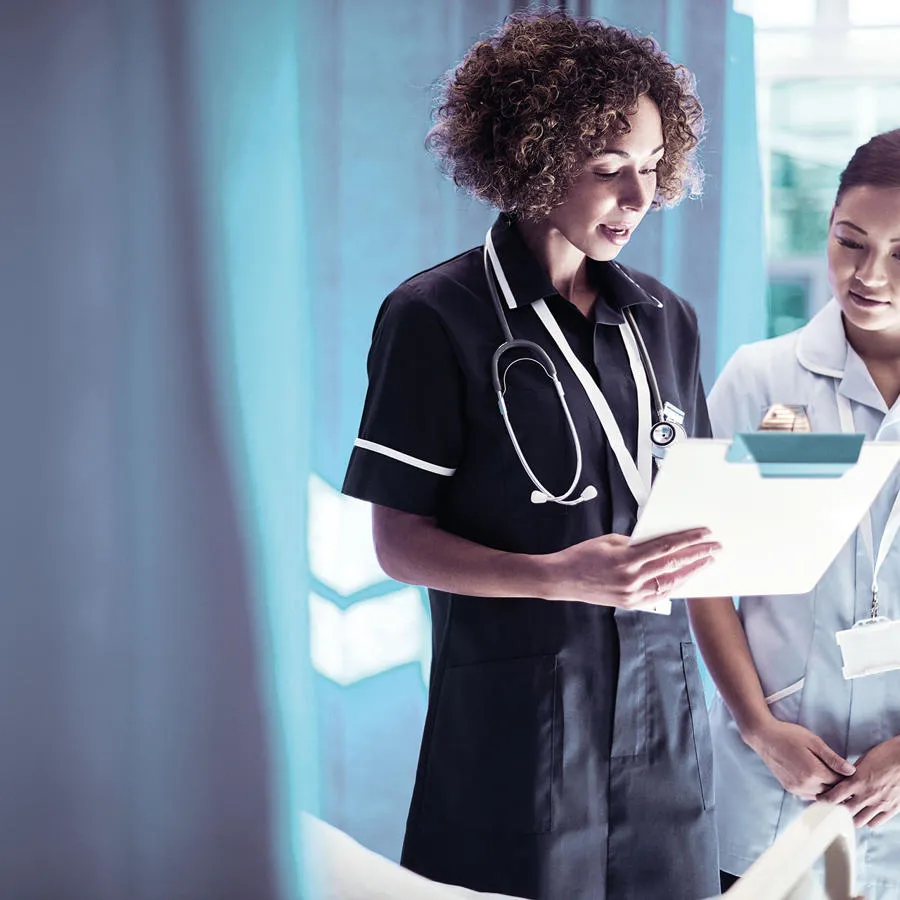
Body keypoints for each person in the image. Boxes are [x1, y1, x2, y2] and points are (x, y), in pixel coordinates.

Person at [342, 10, 720, 900]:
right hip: (519, 718)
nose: (640, 199)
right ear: (534, 155)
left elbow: (690, 503)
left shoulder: (665, 319)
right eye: (609, 170)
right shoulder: (435, 317)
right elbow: (399, 544)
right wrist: (565, 576)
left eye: (654, 168)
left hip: (664, 711)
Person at [689, 128, 900, 900]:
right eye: (851, 242)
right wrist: (756, 726)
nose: (868, 275)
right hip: (772, 782)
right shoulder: (765, 378)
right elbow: (704, 574)